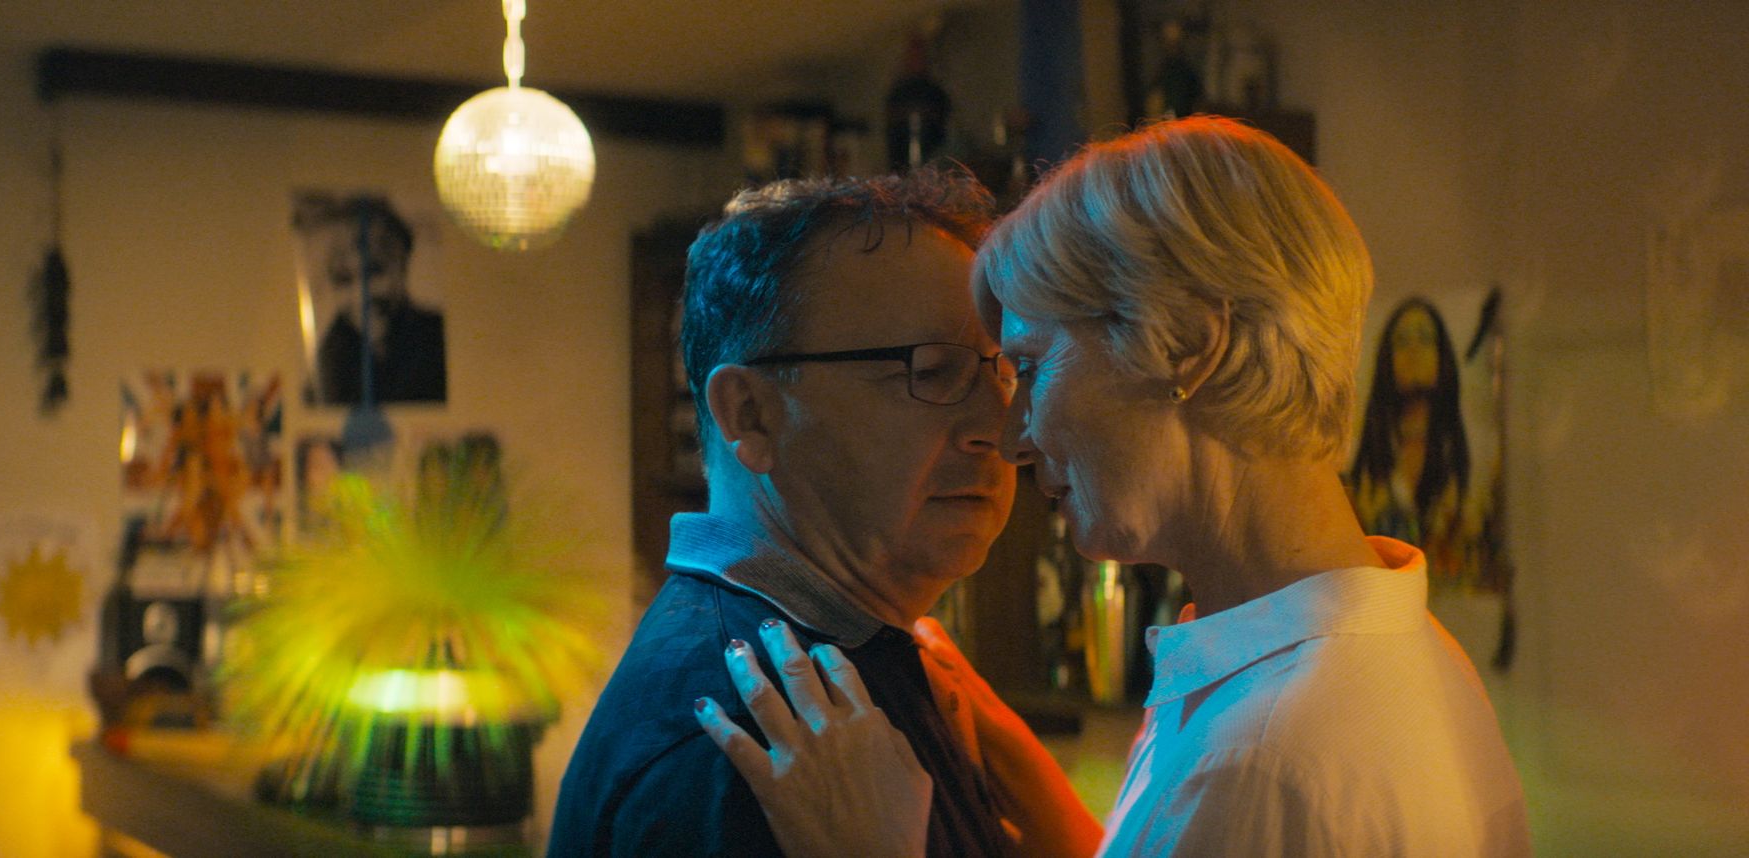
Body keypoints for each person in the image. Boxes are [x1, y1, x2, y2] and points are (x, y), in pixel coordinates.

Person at [698, 116, 1530, 857]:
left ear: (1187, 344)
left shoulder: (1260, 759)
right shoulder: (1416, 662)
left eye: (1030, 366)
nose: (1015, 438)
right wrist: (1014, 761)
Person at [547, 169, 1048, 856]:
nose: (1005, 428)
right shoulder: (748, 738)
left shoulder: (861, 661)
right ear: (749, 414)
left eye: (1007, 372)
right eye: (930, 371)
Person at [1347, 297, 1473, 578]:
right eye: (1402, 341)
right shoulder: (1361, 464)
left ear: (1442, 358)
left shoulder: (1468, 463)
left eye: (1425, 338)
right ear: (1387, 360)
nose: (1413, 350)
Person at [293, 192, 446, 404]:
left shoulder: (435, 340)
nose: (362, 295)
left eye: (374, 271)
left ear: (402, 263)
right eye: (343, 279)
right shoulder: (329, 362)